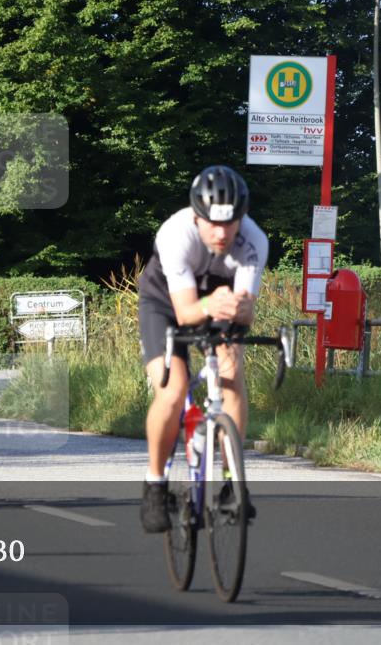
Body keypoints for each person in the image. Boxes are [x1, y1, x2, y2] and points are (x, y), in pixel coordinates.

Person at [136, 165, 268, 533]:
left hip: (217, 302)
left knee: (230, 373)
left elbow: (245, 312)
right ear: (197, 217)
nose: (222, 233)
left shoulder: (255, 242)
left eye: (230, 223)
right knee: (173, 389)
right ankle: (155, 484)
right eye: (212, 223)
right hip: (165, 304)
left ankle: (232, 482)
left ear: (242, 219)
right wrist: (214, 306)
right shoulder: (175, 234)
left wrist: (243, 311)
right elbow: (186, 312)